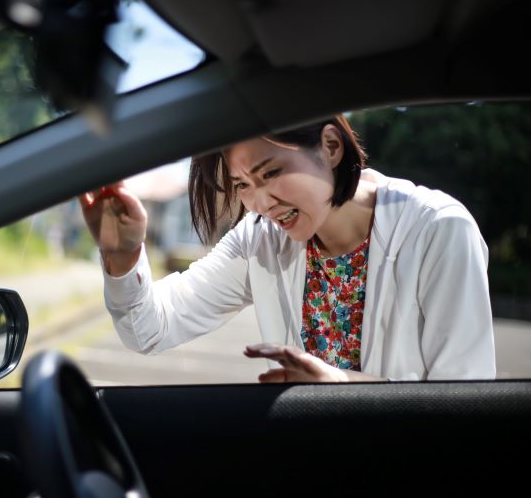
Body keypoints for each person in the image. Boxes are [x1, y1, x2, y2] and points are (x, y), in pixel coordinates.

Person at [78, 115, 496, 382]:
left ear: (331, 147)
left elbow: (462, 403)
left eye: (271, 172)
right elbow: (151, 329)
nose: (260, 203)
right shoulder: (260, 238)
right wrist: (123, 256)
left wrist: (342, 387)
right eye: (243, 185)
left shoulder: (439, 230)